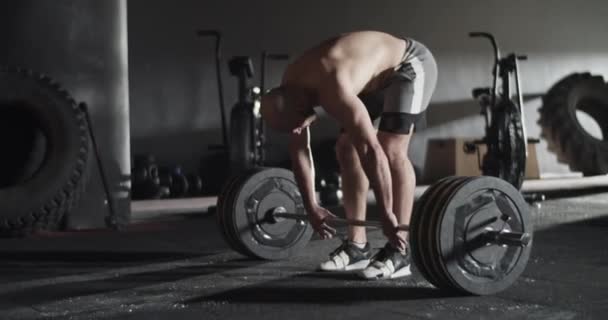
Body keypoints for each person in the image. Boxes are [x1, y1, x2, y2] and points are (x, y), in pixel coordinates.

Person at [260, 30, 437, 279]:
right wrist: (311, 206)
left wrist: (386, 213)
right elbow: (299, 150)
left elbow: (371, 150)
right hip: (369, 79)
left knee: (391, 149)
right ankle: (358, 247)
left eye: (298, 125)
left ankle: (400, 251)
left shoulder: (335, 88)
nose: (299, 130)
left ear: (300, 103)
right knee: (345, 147)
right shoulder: (289, 88)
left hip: (408, 64)